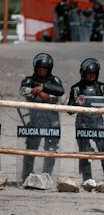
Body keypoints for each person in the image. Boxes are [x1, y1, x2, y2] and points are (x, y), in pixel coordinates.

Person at [68, 58, 104, 182]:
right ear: (83, 73)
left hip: (98, 125)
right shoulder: (76, 88)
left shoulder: (102, 88)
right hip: (82, 125)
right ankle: (87, 179)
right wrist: (77, 104)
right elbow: (69, 110)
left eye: (93, 74)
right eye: (88, 74)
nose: (90, 77)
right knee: (84, 152)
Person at [20, 53, 65, 181]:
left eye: (44, 68)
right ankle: (26, 176)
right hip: (35, 120)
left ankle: (47, 176)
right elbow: (22, 90)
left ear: (49, 69)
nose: (41, 70)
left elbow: (60, 91)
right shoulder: (29, 80)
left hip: (53, 122)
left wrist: (43, 87)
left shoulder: (55, 81)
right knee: (31, 148)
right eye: (39, 68)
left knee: (51, 149)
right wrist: (41, 93)